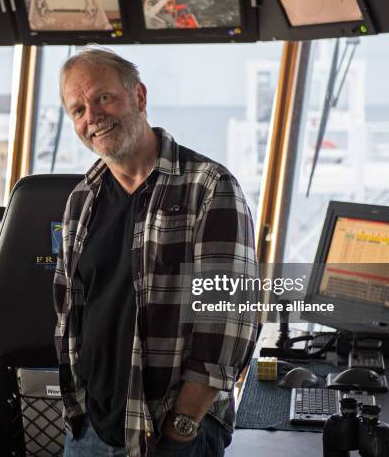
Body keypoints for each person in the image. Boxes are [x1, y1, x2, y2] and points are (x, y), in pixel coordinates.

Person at [53, 47, 258, 456]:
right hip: (92, 430)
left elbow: (227, 321)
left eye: (103, 98)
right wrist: (79, 411)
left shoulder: (208, 186)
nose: (91, 117)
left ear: (139, 97)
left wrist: (182, 427)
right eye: (77, 110)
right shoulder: (81, 200)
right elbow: (69, 311)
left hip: (174, 431)